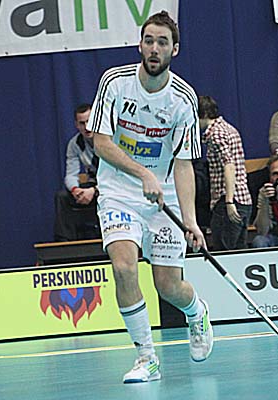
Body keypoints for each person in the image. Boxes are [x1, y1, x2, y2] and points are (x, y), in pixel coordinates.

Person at [87, 11, 213, 384]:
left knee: (168, 286)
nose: (154, 48)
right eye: (149, 40)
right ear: (140, 45)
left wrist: (189, 220)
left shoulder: (183, 99)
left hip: (164, 199)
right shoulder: (115, 83)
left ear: (175, 49)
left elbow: (184, 164)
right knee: (124, 267)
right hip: (119, 192)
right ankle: (146, 357)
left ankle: (197, 312)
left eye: (162, 42)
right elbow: (100, 142)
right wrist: (142, 173)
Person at [198, 95, 252, 250]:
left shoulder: (216, 135)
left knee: (224, 253)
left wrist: (229, 201)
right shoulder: (228, 128)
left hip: (228, 202)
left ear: (204, 114)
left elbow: (229, 165)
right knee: (239, 252)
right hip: (244, 200)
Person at [53, 104, 100, 241]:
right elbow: (71, 174)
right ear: (76, 125)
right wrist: (75, 190)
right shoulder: (74, 144)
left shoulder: (110, 139)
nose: (86, 127)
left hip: (113, 187)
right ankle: (65, 244)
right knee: (62, 197)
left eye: (89, 121)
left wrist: (94, 191)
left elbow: (117, 177)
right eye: (82, 123)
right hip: (93, 186)